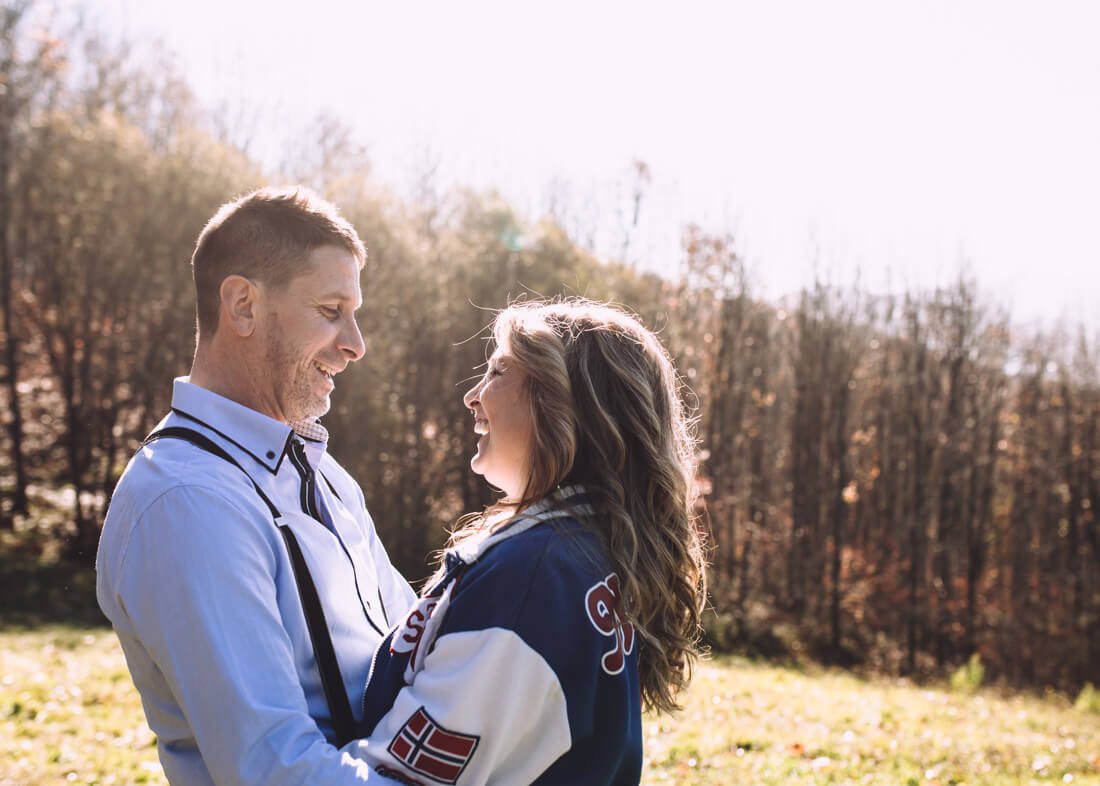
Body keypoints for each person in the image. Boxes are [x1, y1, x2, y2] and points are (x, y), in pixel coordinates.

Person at [96, 186, 416, 785]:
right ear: (242, 305)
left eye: (355, 315)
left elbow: (414, 646)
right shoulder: (187, 501)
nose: (355, 345)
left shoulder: (328, 476)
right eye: (330, 311)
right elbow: (276, 770)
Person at [349, 298, 708, 785]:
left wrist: (270, 746)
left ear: (563, 404)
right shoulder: (580, 554)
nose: (472, 397)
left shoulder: (534, 574)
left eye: (498, 371)